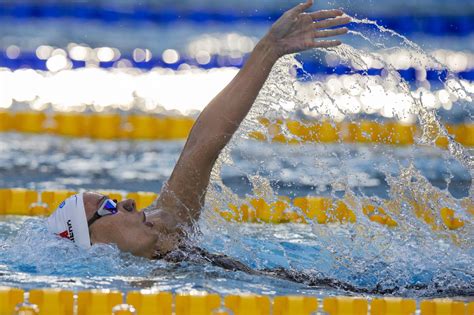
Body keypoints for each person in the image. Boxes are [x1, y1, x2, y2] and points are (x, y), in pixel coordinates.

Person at [47, 0, 354, 291]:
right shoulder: (127, 289)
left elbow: (203, 145)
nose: (128, 203)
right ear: (92, 243)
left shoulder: (164, 230)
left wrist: (268, 49)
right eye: (108, 208)